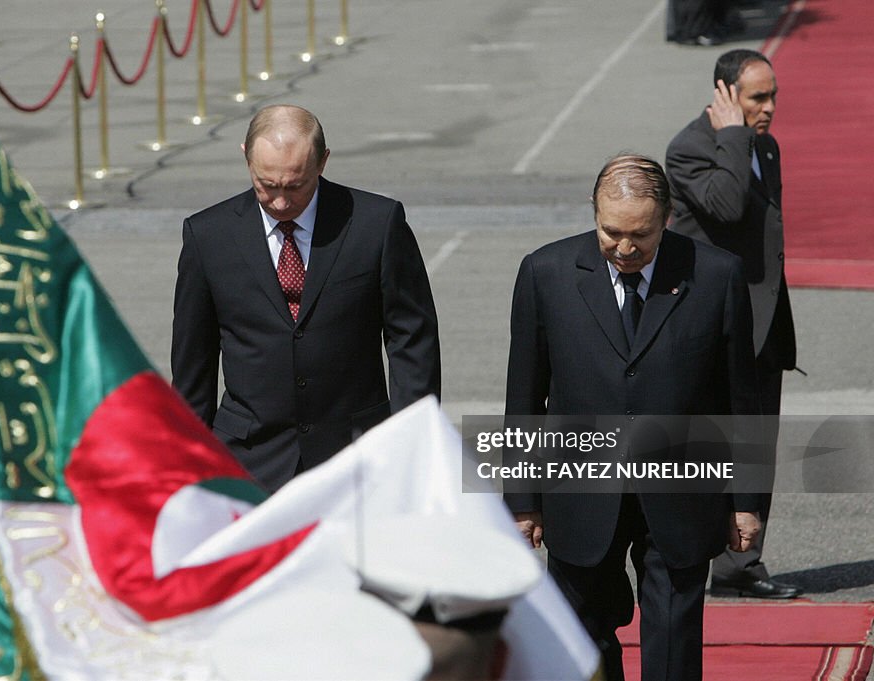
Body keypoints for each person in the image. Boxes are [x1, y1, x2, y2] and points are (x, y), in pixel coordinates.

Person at [504, 154, 763, 681]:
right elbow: (524, 396)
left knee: (673, 638)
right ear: (594, 213)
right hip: (579, 492)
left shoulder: (716, 276)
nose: (624, 248)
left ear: (666, 217)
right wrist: (523, 500)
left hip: (682, 489)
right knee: (582, 636)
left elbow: (742, 399)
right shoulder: (545, 273)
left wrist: (748, 502)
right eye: (611, 232)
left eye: (639, 235)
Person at [171, 104, 441, 492]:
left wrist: (413, 443)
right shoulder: (207, 236)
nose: (280, 202)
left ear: (323, 162)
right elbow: (193, 361)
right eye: (266, 184)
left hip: (357, 454)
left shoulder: (376, 224)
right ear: (245, 156)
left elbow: (412, 341)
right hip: (249, 459)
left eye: (295, 185)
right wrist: (192, 466)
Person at [666, 49, 800, 599]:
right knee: (707, 446)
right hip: (711, 326)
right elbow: (724, 207)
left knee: (754, 447)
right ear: (724, 95)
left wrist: (746, 138)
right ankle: (687, 557)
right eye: (756, 98)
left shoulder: (764, 146)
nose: (768, 108)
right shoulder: (690, 148)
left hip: (762, 323)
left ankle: (741, 566)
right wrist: (735, 135)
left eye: (773, 96)